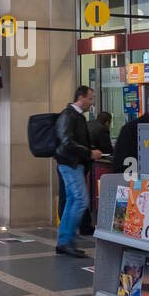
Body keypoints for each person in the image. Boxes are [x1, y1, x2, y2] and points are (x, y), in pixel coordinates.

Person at [54, 85, 102, 258]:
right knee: (80, 200)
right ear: (81, 98)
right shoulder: (68, 115)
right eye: (90, 98)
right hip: (70, 164)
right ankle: (67, 241)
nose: (92, 102)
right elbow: (67, 142)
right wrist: (89, 153)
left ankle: (65, 241)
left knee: (73, 200)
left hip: (73, 164)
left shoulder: (76, 117)